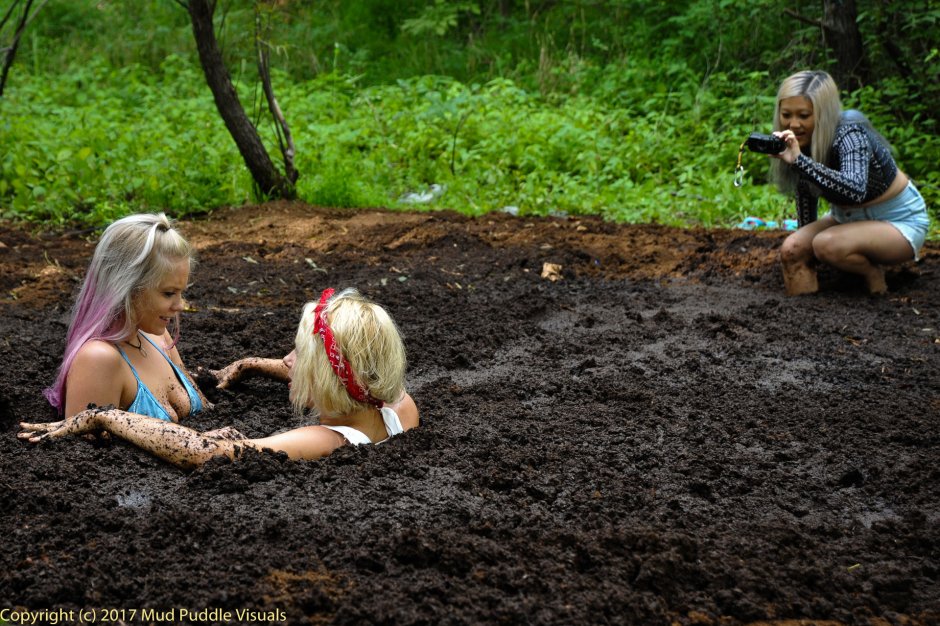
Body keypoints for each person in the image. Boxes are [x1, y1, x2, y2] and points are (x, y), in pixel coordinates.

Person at [20, 288, 420, 469]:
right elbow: (362, 371)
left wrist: (107, 415)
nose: (286, 360)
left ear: (329, 377)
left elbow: (208, 454)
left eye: (300, 355)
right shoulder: (399, 409)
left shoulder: (326, 439)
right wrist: (252, 364)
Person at [768, 70, 930, 295]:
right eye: (786, 114)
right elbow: (805, 191)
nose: (793, 124)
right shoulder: (797, 142)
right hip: (845, 218)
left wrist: (800, 162)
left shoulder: (850, 132)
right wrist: (805, 248)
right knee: (792, 249)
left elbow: (854, 189)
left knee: (826, 244)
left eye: (804, 115)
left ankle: (872, 274)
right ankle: (802, 311)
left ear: (823, 114)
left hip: (898, 220)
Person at [44, 212, 208, 420]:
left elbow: (208, 413)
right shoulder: (98, 360)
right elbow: (82, 440)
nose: (180, 306)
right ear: (127, 288)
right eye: (168, 293)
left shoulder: (158, 338)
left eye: (181, 292)